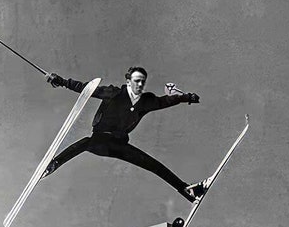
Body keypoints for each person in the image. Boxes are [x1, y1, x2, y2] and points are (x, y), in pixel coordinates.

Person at [42, 66, 206, 202]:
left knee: (151, 164)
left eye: (142, 81)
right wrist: (61, 81)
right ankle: (53, 164)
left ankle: (187, 191)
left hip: (119, 144)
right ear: (128, 81)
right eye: (136, 81)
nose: (140, 84)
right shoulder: (113, 93)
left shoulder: (146, 101)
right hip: (101, 139)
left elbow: (165, 101)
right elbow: (86, 89)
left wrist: (186, 97)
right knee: (85, 142)